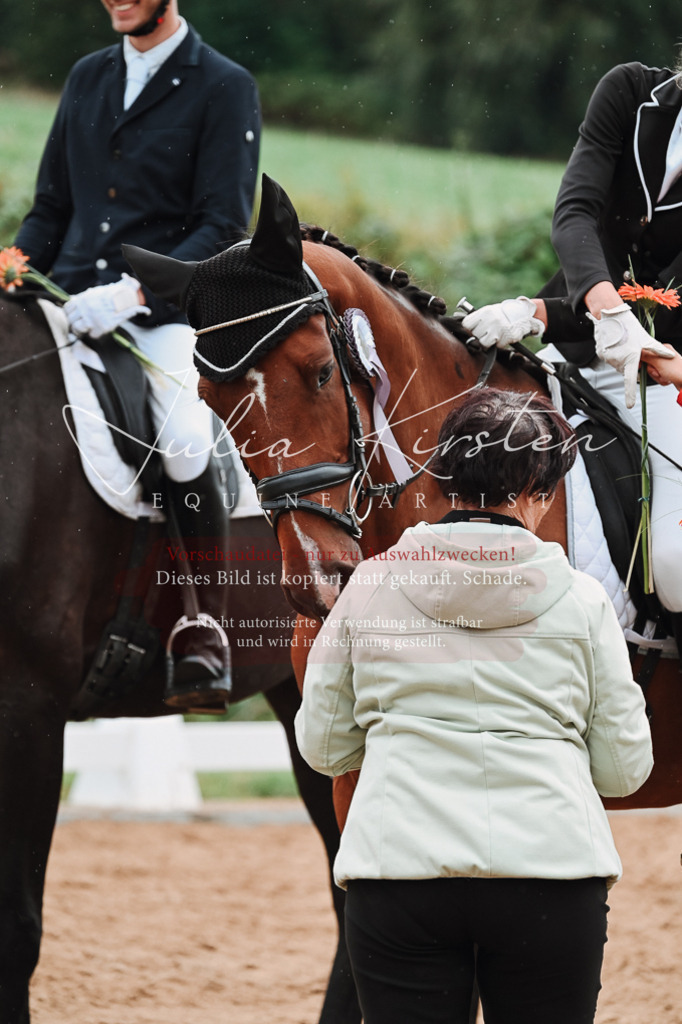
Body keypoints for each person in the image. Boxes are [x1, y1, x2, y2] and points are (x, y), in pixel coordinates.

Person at [294, 388, 653, 1024]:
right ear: (539, 491)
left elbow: (324, 748)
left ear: (442, 479)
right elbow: (624, 770)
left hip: (398, 873)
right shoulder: (584, 599)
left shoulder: (370, 585)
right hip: (552, 874)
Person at [14, 0, 261, 712]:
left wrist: (131, 295)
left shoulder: (222, 84)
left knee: (183, 437)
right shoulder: (89, 76)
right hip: (61, 303)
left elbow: (221, 227)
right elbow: (50, 208)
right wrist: (15, 267)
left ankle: (203, 620)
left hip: (158, 315)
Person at [460, 59, 682, 624]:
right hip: (581, 342)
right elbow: (575, 212)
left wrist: (545, 314)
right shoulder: (630, 91)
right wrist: (536, 316)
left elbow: (662, 299)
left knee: (675, 566)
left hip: (667, 377)